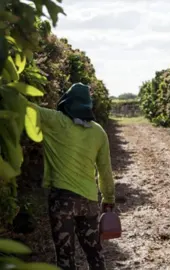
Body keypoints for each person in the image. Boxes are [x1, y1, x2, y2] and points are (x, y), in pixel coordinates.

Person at [31, 83, 115, 270]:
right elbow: (105, 171)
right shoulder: (98, 132)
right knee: (95, 254)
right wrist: (108, 198)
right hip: (89, 201)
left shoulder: (56, 120)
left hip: (62, 202)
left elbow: (25, 107)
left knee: (65, 257)